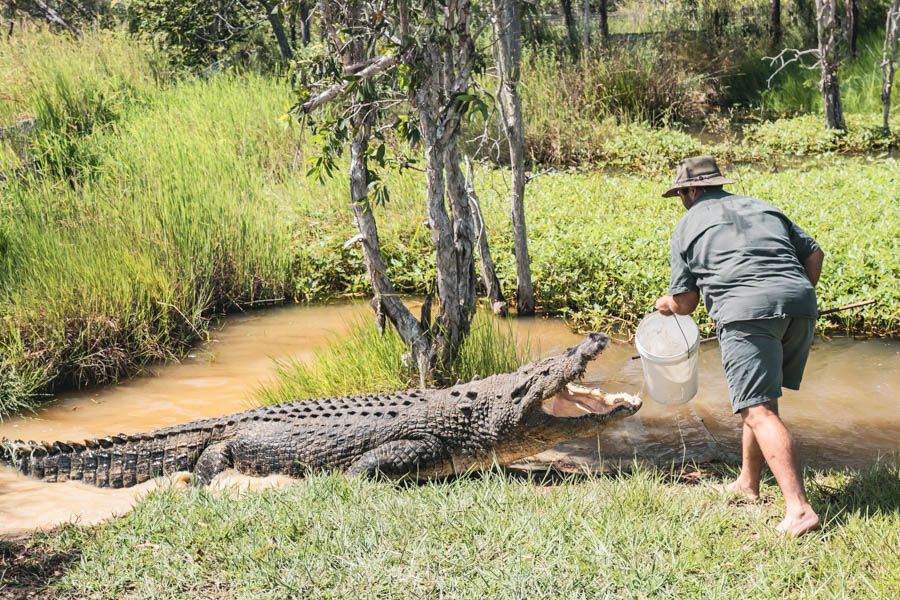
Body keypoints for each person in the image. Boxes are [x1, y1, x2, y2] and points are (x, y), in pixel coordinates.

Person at [654, 156, 824, 537]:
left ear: (692, 190)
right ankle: (748, 483)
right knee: (762, 401)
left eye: (682, 194)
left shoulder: (686, 226)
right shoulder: (764, 207)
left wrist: (665, 304)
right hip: (799, 305)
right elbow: (814, 254)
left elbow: (684, 303)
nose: (683, 201)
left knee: (757, 410)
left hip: (745, 311)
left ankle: (799, 509)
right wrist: (796, 295)